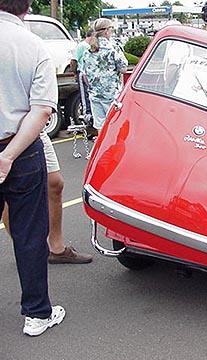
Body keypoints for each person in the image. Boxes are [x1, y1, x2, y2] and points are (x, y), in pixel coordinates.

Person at [0, 0, 65, 336]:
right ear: (25, 8)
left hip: (13, 149)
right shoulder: (32, 45)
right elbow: (41, 110)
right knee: (29, 235)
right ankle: (37, 313)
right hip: (20, 149)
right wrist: (8, 156)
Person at [3, 131, 94, 264]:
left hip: (36, 129)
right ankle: (25, 248)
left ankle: (57, 249)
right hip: (7, 134)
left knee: (55, 184)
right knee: (12, 191)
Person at [83, 18, 128, 132]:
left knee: (100, 129)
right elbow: (123, 68)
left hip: (95, 95)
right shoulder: (112, 48)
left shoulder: (88, 50)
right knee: (114, 127)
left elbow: (84, 74)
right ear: (107, 31)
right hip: (111, 95)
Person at [70, 28, 94, 130]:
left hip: (90, 74)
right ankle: (86, 120)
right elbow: (73, 61)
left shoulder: (92, 47)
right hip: (83, 72)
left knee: (91, 97)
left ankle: (91, 120)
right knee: (85, 97)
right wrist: (75, 72)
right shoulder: (81, 46)